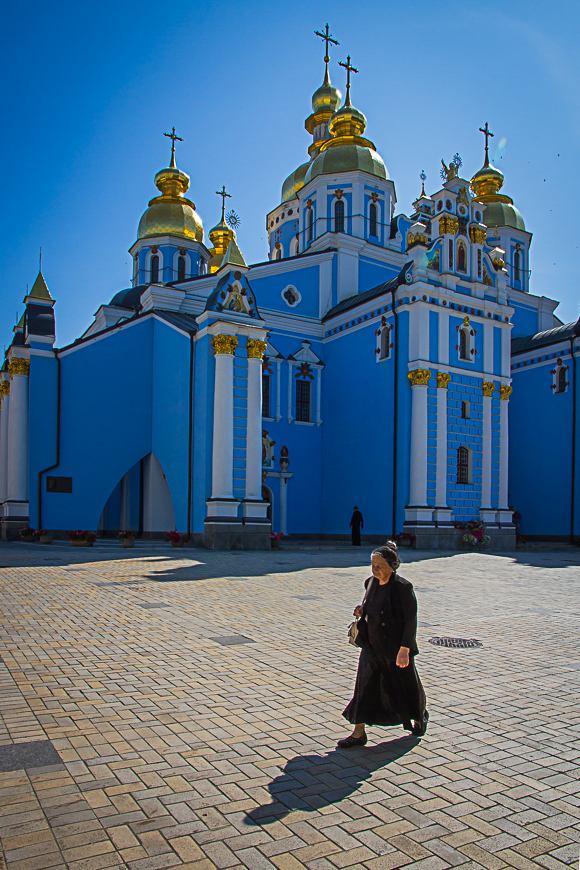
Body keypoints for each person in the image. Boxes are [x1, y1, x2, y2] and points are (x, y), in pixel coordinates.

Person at [339, 542, 428, 747]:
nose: (375, 569)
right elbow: (370, 606)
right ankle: (359, 733)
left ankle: (419, 716)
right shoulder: (370, 582)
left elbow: (410, 620)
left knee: (407, 686)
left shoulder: (403, 588)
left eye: (379, 565)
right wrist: (362, 610)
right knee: (364, 688)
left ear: (392, 565)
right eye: (372, 565)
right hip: (371, 645)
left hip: (396, 648)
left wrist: (405, 649)